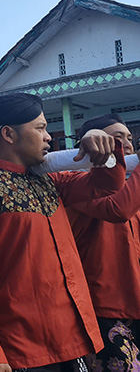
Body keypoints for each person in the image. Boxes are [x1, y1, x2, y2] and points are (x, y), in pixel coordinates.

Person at [0, 93, 126, 372]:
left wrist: (97, 140)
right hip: (22, 348)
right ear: (8, 134)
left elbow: (107, 185)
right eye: (40, 128)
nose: (48, 137)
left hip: (72, 337)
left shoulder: (51, 181)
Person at [65, 114, 140, 372]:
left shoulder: (134, 186)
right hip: (104, 306)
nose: (126, 146)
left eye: (129, 139)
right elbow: (118, 209)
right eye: (115, 140)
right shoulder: (78, 184)